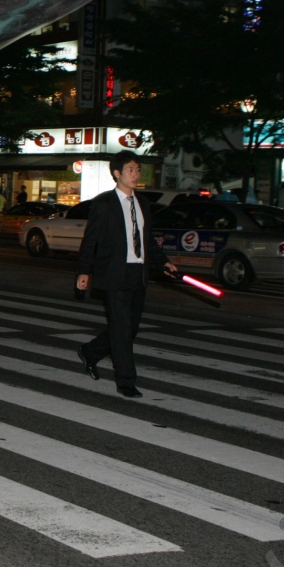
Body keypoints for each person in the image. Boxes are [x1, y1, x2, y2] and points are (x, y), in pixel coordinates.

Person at [76, 151, 174, 398]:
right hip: (113, 273)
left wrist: (164, 262)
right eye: (130, 169)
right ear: (117, 173)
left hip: (137, 273)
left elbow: (147, 239)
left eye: (138, 169)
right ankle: (126, 381)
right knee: (121, 329)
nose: (135, 174)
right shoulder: (104, 203)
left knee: (129, 329)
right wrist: (84, 271)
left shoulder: (143, 203)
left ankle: (90, 351)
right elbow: (91, 241)